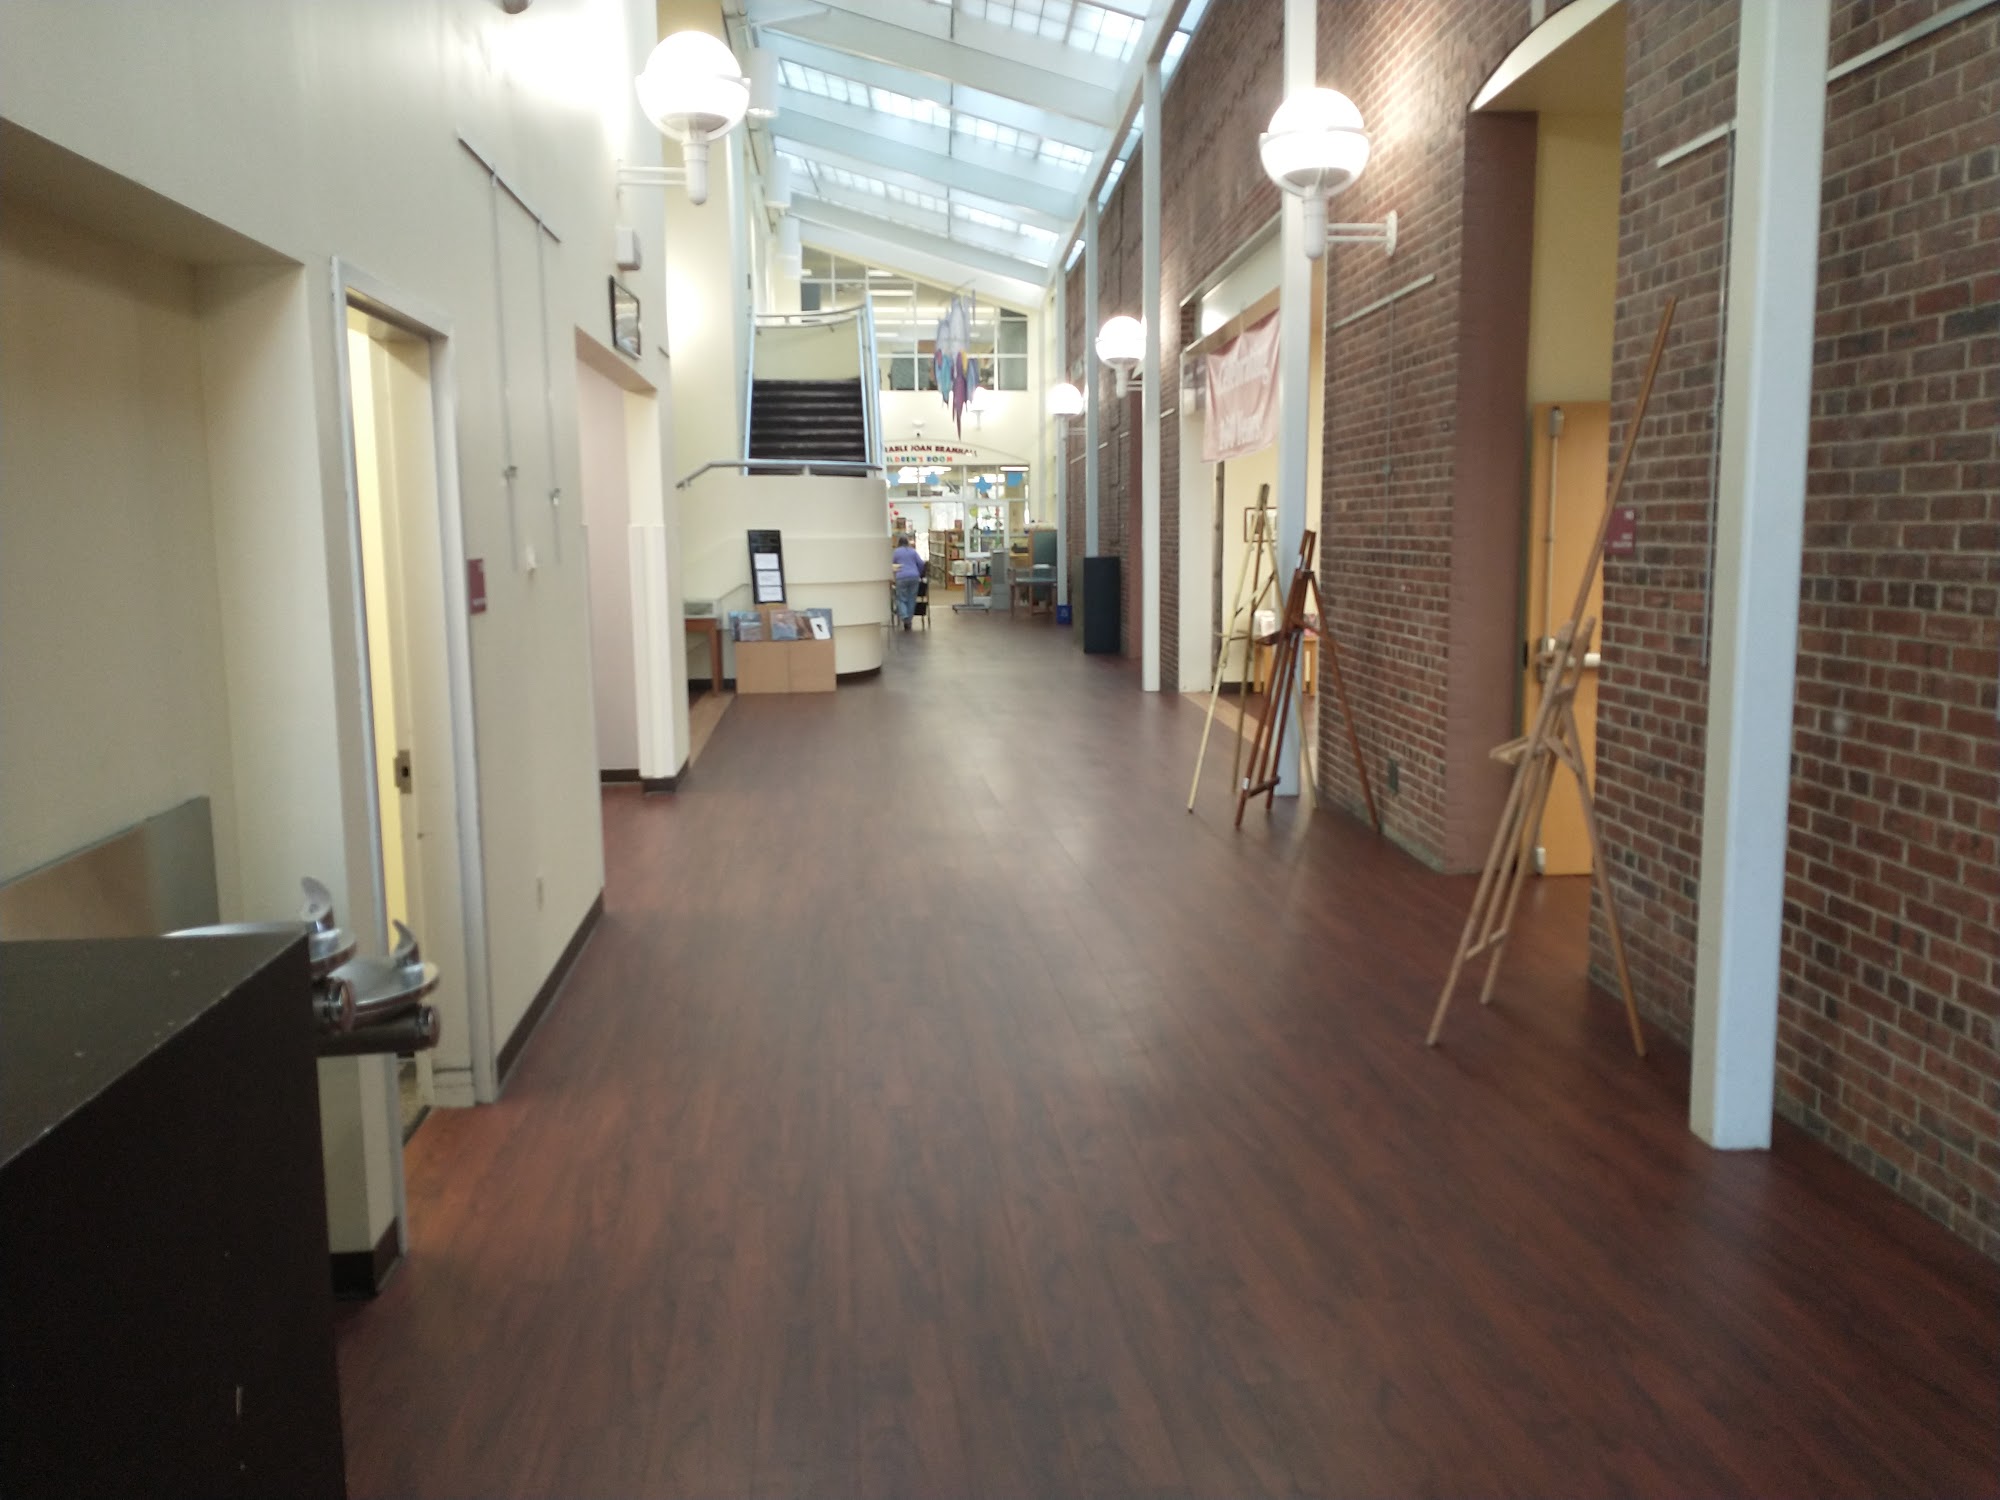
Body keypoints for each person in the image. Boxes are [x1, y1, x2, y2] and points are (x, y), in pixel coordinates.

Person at [891, 533, 923, 630]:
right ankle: (909, 620)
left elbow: (892, 564)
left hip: (901, 577)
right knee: (911, 598)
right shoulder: (913, 551)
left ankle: (904, 615)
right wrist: (919, 573)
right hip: (914, 576)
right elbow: (921, 563)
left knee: (901, 598)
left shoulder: (896, 552)